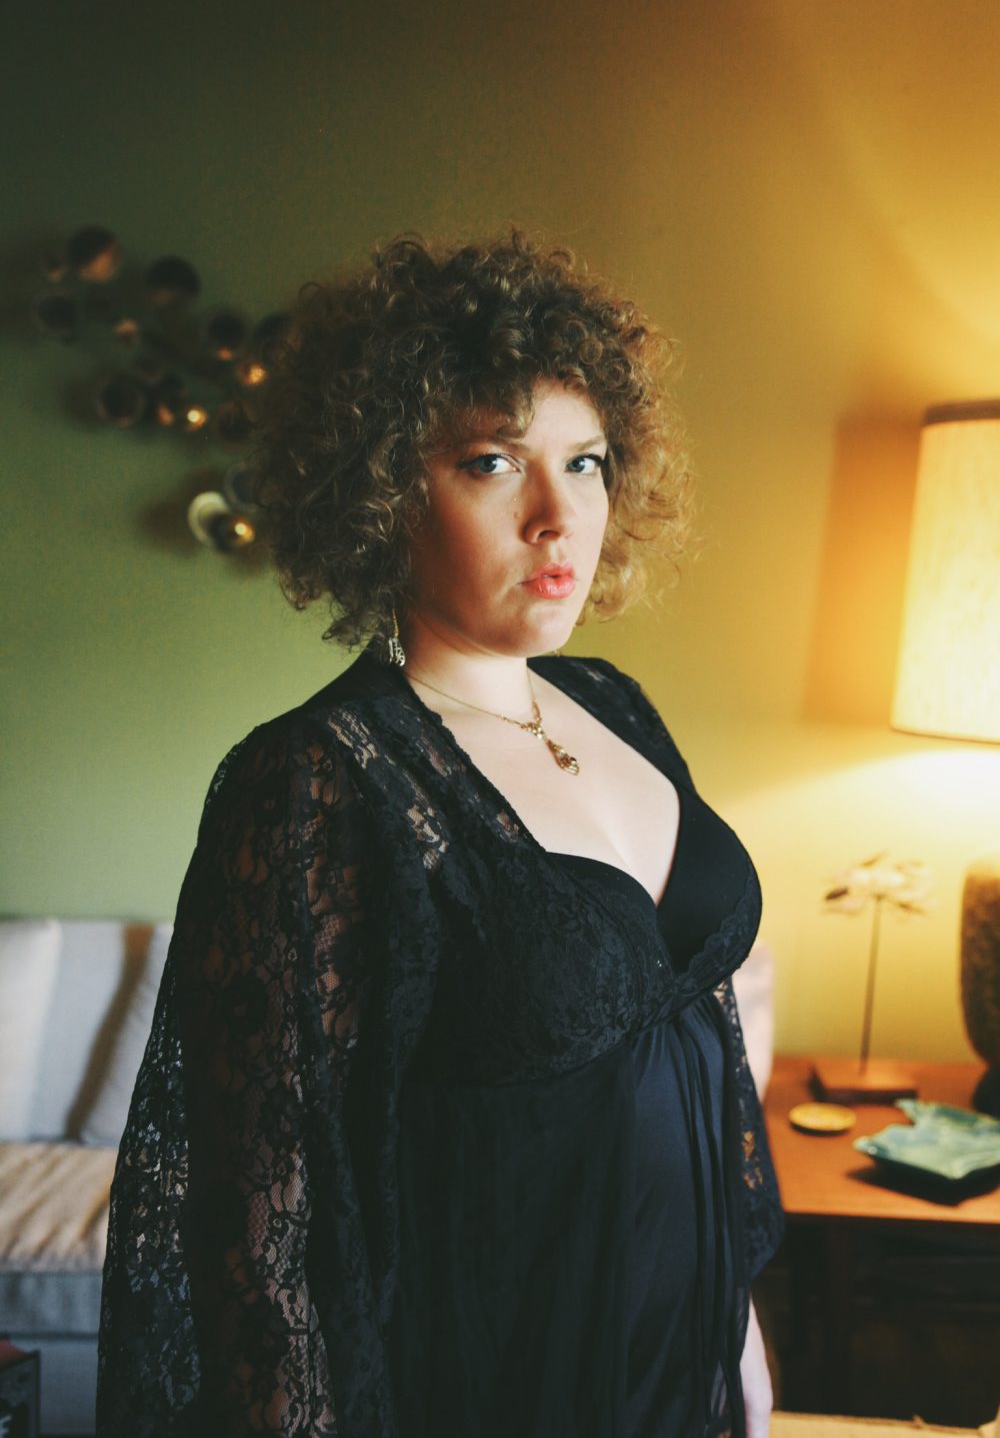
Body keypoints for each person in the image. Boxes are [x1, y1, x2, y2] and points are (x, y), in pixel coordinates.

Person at [96, 231, 783, 1437]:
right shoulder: (316, 779)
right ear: (381, 490)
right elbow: (259, 1232)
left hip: (687, 1376)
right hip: (485, 1383)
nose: (557, 517)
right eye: (492, 462)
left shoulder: (617, 705)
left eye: (585, 462)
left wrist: (739, 1342)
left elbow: (703, 1061)